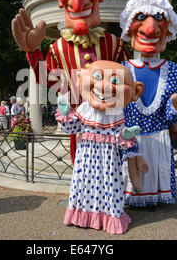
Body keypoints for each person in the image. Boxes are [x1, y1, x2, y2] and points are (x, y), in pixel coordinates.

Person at [11, 0, 131, 163]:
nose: (78, 2)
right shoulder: (57, 49)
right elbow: (52, 81)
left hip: (112, 123)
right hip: (79, 124)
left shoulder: (115, 45)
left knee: (113, 165)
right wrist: (32, 52)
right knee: (82, 166)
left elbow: (130, 82)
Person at [119, 0, 177, 210]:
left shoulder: (175, 72)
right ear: (129, 26)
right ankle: (130, 197)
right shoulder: (121, 71)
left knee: (158, 169)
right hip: (130, 140)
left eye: (158, 19)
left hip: (160, 138)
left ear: (168, 28)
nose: (150, 28)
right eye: (140, 18)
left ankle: (155, 196)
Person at [56, 60, 146, 234]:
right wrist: (66, 114)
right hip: (86, 155)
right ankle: (82, 215)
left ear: (135, 91)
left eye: (114, 81)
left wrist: (125, 137)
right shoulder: (84, 108)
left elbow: (122, 139)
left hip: (108, 157)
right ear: (81, 77)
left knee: (110, 184)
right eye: (97, 77)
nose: (103, 86)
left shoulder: (118, 112)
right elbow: (72, 128)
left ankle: (110, 216)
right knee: (83, 183)